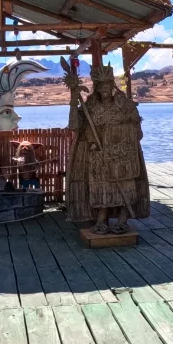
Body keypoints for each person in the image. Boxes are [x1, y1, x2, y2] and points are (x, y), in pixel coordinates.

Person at [64, 58, 150, 233]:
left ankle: (123, 219)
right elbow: (74, 126)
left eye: (107, 83)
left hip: (122, 156)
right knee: (101, 188)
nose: (103, 87)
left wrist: (122, 138)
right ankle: (101, 219)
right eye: (99, 84)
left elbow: (137, 132)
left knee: (125, 186)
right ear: (95, 86)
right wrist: (74, 100)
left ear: (112, 84)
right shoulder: (90, 108)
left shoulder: (125, 106)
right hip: (99, 156)